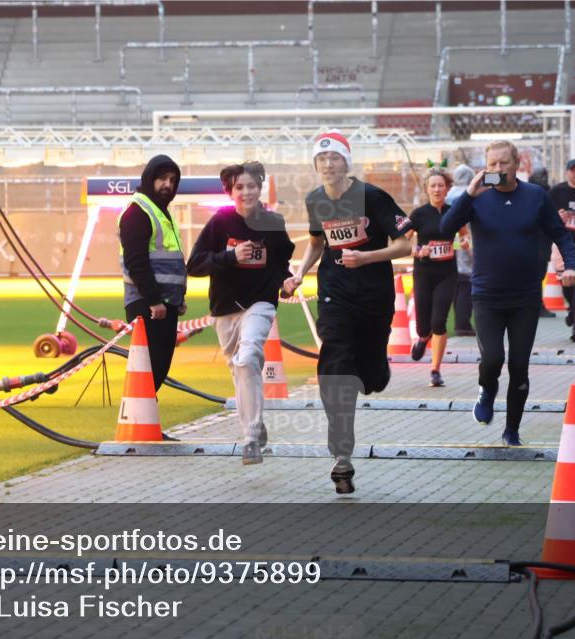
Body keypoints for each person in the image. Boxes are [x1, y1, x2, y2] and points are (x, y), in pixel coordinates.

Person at [283, 130, 412, 494]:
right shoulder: (315, 199)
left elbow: (405, 245)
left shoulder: (372, 196)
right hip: (334, 295)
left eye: (334, 158)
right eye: (321, 159)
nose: (327, 164)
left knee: (370, 377)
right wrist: (299, 273)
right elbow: (316, 243)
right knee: (335, 366)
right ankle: (342, 452)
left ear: (346, 162)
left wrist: (367, 257)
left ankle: (377, 369)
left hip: (373, 297)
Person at [440, 141, 575, 446]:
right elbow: (445, 228)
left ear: (518, 164)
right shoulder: (477, 197)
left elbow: (560, 234)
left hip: (525, 297)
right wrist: (469, 195)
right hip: (487, 295)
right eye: (492, 164)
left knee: (518, 365)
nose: (498, 169)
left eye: (504, 163)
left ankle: (511, 430)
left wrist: (570, 265)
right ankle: (487, 389)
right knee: (493, 358)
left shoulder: (535, 196)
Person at [186, 162, 295, 465]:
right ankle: (255, 423)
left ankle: (250, 439)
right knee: (240, 369)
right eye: (239, 187)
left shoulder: (273, 222)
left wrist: (285, 283)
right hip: (225, 308)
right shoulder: (220, 222)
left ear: (260, 188)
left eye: (252, 186)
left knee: (247, 358)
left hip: (260, 304)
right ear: (230, 191)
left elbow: (279, 266)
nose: (246, 192)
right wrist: (230, 256)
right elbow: (194, 265)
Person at [118, 154, 187, 401]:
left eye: (172, 180)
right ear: (149, 179)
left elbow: (170, 260)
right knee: (150, 368)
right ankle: (138, 417)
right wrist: (154, 300)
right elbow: (136, 262)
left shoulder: (161, 212)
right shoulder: (138, 211)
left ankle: (143, 417)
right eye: (162, 178)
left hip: (164, 304)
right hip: (148, 304)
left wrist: (178, 298)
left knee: (157, 368)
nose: (168, 184)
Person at [409, 167, 457, 387]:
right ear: (426, 189)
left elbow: (464, 236)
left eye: (441, 186)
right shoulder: (418, 214)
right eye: (433, 186)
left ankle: (435, 370)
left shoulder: (454, 212)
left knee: (439, 321)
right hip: (424, 273)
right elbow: (401, 242)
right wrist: (418, 250)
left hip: (447, 273)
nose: (437, 189)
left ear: (447, 189)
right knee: (423, 325)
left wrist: (464, 243)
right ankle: (422, 338)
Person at [549, 158, 575, 343]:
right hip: (562, 241)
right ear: (567, 172)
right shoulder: (557, 191)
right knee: (566, 283)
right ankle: (572, 310)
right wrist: (556, 217)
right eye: (573, 170)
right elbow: (545, 215)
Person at [448, 164, 476, 337]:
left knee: (458, 282)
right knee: (466, 281)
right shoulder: (469, 194)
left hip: (450, 240)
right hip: (465, 238)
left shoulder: (449, 194)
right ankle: (463, 324)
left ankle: (461, 322)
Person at [529, 167, 557, 319]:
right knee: (535, 276)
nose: (543, 179)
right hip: (536, 241)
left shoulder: (545, 193)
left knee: (537, 276)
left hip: (540, 241)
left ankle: (536, 305)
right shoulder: (540, 193)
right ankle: (535, 306)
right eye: (541, 176)